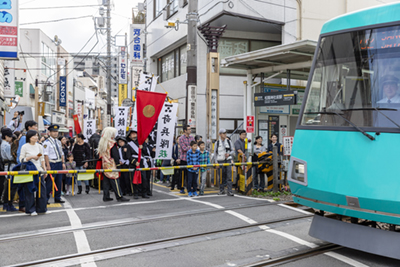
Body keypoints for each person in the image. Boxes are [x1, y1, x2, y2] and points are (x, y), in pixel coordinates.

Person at [97, 127, 129, 202]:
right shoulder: (112, 143)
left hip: (104, 164)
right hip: (112, 164)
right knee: (115, 180)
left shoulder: (103, 143)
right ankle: (119, 196)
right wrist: (118, 164)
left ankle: (106, 196)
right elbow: (115, 155)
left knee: (106, 181)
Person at [19, 130, 48, 216]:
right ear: (29, 137)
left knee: (42, 190)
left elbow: (41, 158)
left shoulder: (39, 146)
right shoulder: (25, 146)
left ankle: (42, 209)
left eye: (36, 136)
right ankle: (31, 210)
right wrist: (30, 157)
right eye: (34, 136)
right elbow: (21, 159)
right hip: (29, 171)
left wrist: (44, 169)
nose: (36, 137)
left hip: (39, 170)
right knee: (29, 191)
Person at [43, 124, 66, 204]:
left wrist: (63, 163)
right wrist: (47, 165)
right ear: (50, 132)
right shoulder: (47, 142)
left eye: (56, 132)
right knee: (50, 182)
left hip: (59, 163)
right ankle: (45, 199)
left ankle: (57, 197)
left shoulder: (59, 142)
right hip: (52, 163)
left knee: (59, 181)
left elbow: (61, 153)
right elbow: (45, 154)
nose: (55, 133)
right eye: (53, 132)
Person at [127, 129, 148, 199]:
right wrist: (134, 162)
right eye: (132, 134)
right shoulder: (129, 145)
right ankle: (135, 193)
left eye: (135, 133)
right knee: (134, 179)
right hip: (134, 162)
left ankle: (143, 192)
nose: (134, 135)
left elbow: (145, 152)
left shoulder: (141, 142)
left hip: (141, 162)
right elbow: (128, 156)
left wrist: (142, 147)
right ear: (130, 136)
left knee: (144, 178)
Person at [214, 128, 235, 196]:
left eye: (225, 133)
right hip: (220, 160)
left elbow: (233, 150)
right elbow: (215, 153)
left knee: (229, 176)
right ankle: (221, 190)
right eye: (223, 133)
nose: (225, 134)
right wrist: (216, 162)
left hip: (228, 160)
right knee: (221, 176)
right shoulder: (217, 143)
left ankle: (229, 191)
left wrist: (229, 154)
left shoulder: (229, 141)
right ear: (220, 134)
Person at [1, 128, 18, 211]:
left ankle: (6, 204)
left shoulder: (3, 144)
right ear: (6, 136)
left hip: (7, 166)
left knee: (8, 186)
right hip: (10, 166)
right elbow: (10, 157)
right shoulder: (6, 145)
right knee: (11, 187)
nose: (11, 138)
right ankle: (8, 204)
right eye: (10, 136)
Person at [178, 124, 195, 194]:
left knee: (190, 175)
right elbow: (184, 148)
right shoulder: (181, 138)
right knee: (182, 174)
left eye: (190, 129)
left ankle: (189, 188)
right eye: (189, 129)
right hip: (183, 159)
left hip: (191, 159)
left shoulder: (192, 138)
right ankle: (181, 188)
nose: (190, 130)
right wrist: (190, 147)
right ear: (185, 130)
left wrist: (189, 147)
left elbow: (194, 147)